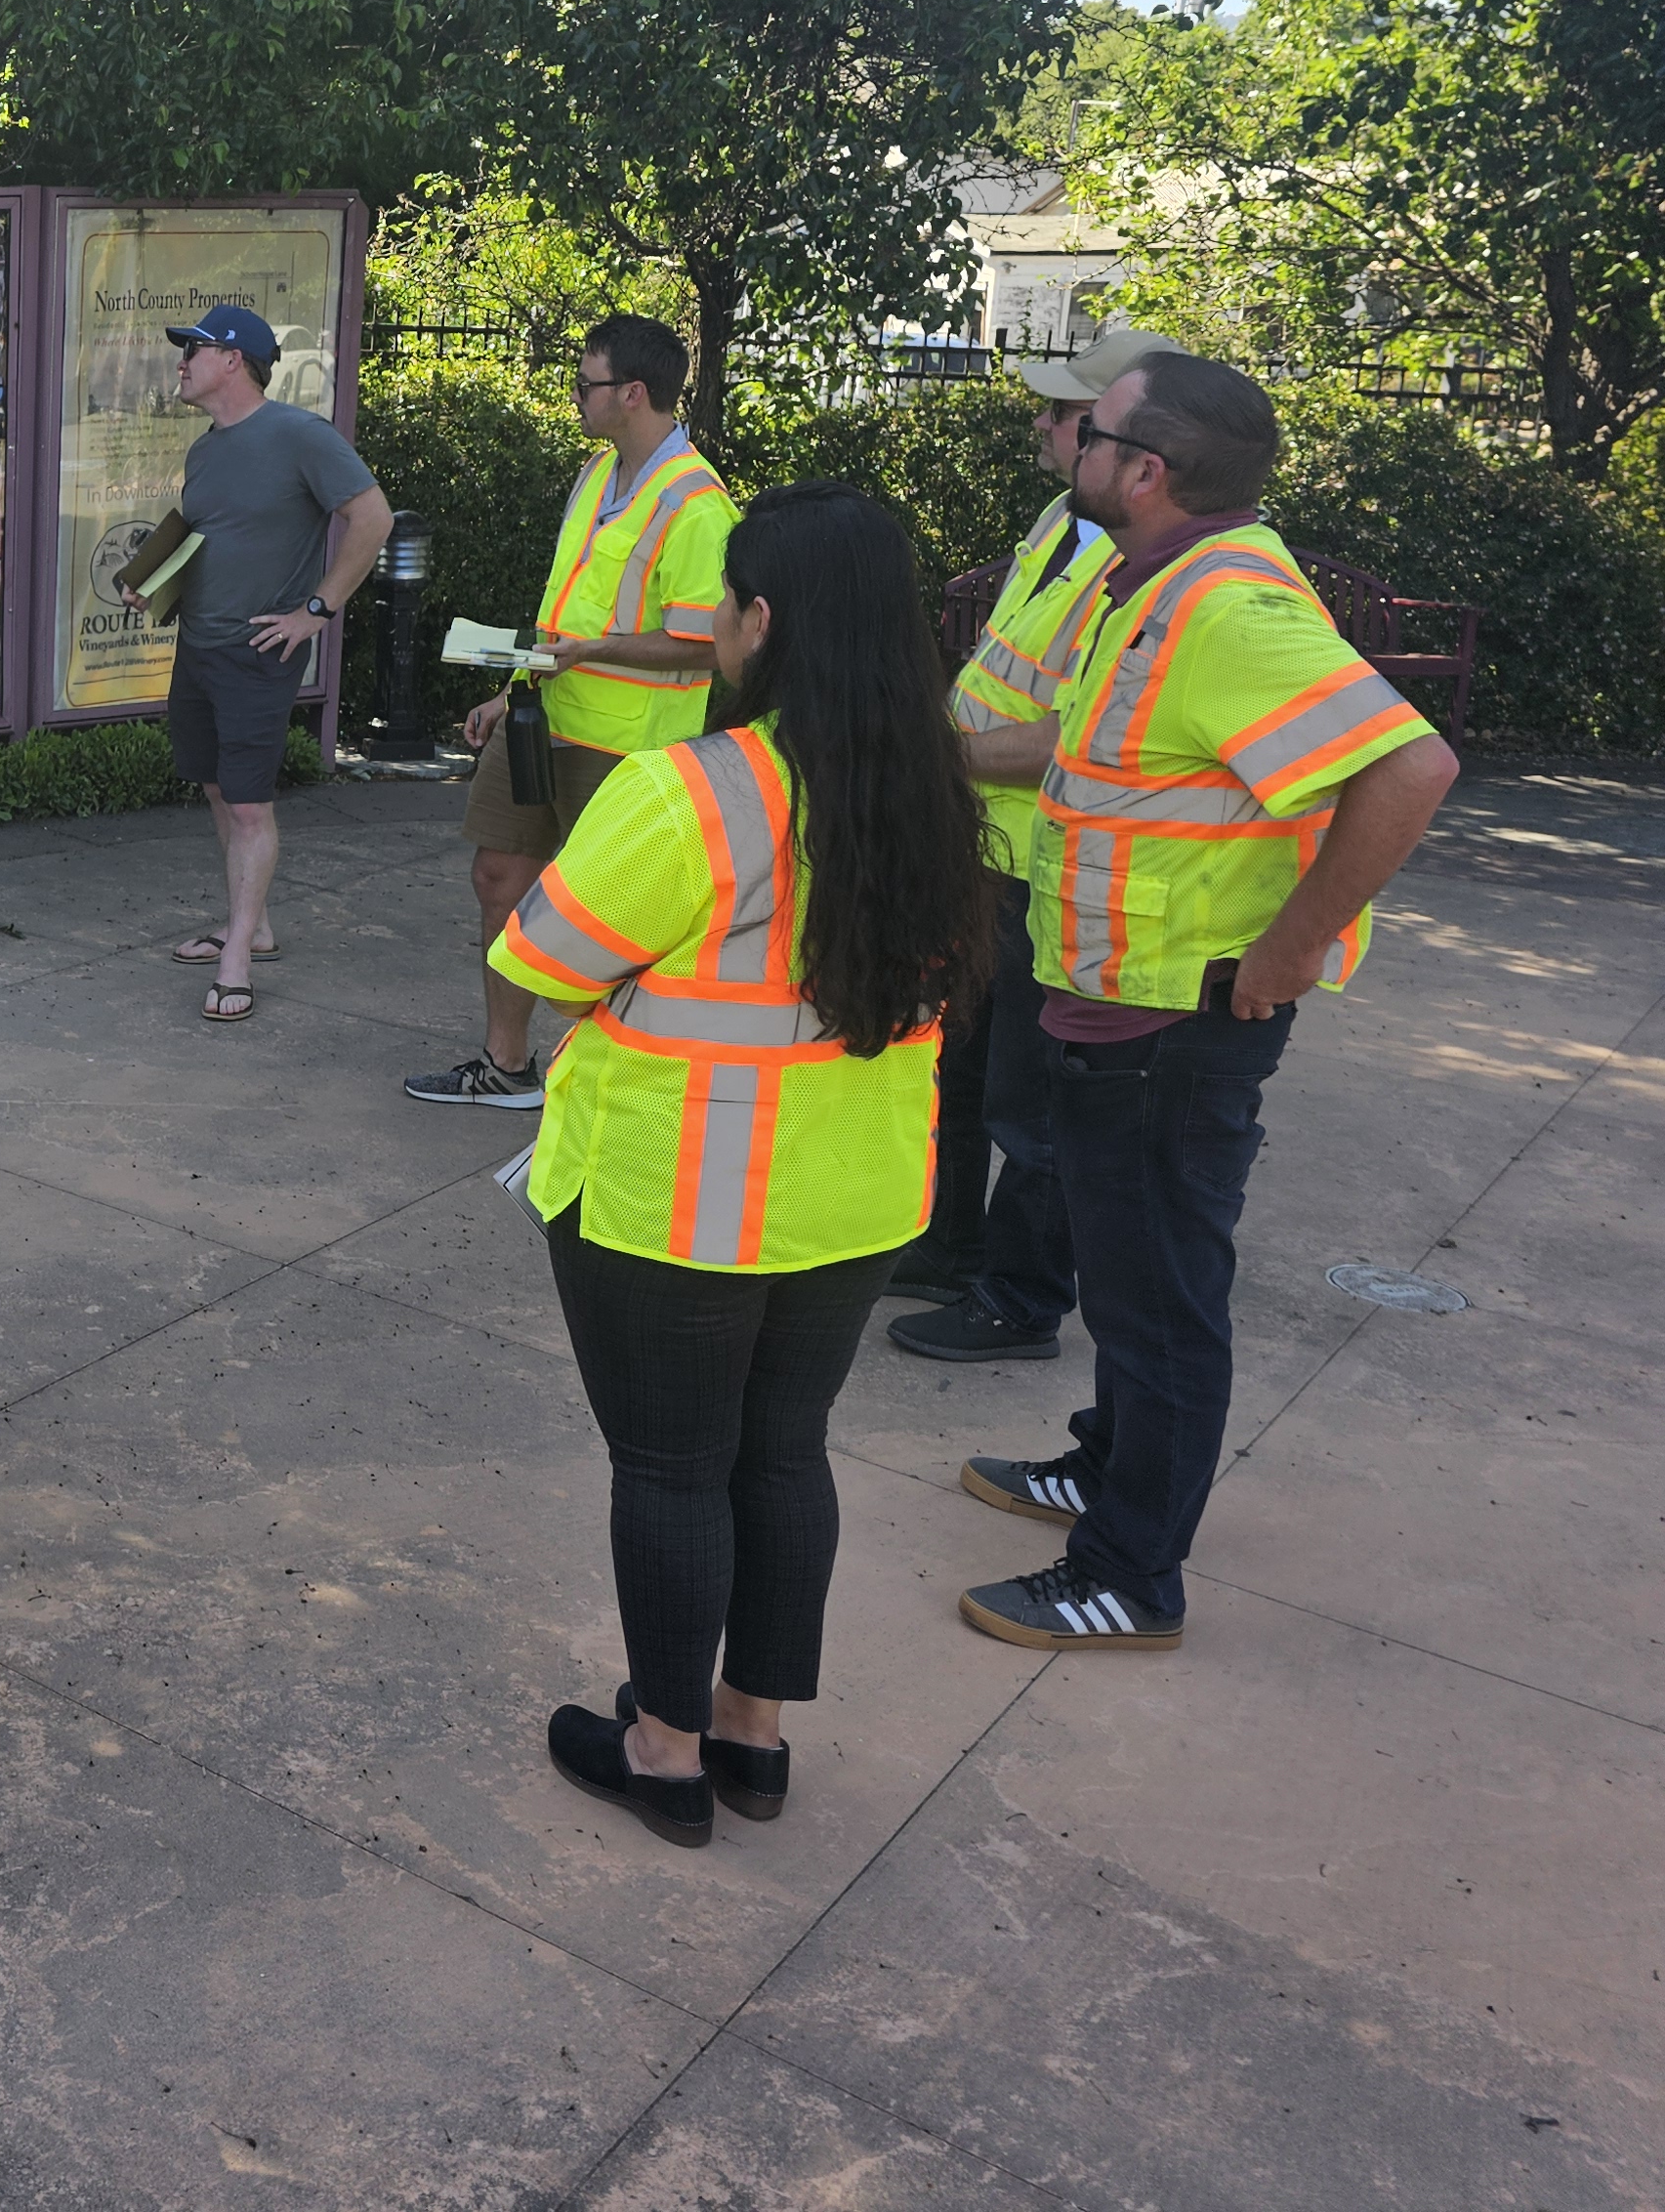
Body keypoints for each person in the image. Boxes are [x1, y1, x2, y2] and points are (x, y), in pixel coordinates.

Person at [498, 481, 992, 1848]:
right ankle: (751, 1734)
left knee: (670, 1467)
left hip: (679, 1201)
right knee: (783, 1454)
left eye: (725, 601)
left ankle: (661, 1752)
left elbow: (537, 958)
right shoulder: (932, 790)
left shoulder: (696, 793)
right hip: (857, 1196)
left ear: (762, 619)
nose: (716, 623)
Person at [949, 354, 1455, 1651]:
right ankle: (1103, 1467)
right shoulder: (1151, 583)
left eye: (1096, 432)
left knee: (1163, 1299)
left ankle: (1131, 1574)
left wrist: (1290, 951)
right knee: (1128, 1280)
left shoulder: (1229, 606)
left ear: (1148, 470)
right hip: (1117, 1004)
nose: (1076, 447)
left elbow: (1410, 768)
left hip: (1180, 1024)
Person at [882, 324, 1168, 1361]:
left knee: (1028, 1100)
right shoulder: (1064, 521)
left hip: (1046, 866)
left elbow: (1066, 740)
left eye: (1063, 415)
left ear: (1127, 443)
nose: (1042, 426)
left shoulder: (1137, 572)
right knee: (954, 1066)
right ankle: (951, 1244)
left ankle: (1020, 1297)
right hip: (986, 851)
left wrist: (927, 761)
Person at [409, 313, 732, 1109]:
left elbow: (705, 645)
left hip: (627, 752)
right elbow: (567, 613)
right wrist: (509, 687)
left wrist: (592, 654)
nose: (576, 397)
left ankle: (611, 1081)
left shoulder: (698, 504)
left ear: (632, 393)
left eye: (586, 383)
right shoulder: (597, 472)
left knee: (610, 922)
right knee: (498, 878)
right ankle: (506, 1065)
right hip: (543, 720)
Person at [131, 304, 388, 1025]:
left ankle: (237, 954)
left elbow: (374, 519)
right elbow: (204, 539)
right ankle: (257, 924)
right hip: (199, 645)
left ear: (234, 360)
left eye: (194, 350)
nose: (182, 363)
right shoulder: (207, 449)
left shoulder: (301, 436)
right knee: (218, 790)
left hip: (259, 653)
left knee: (248, 804)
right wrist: (149, 583)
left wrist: (318, 610)